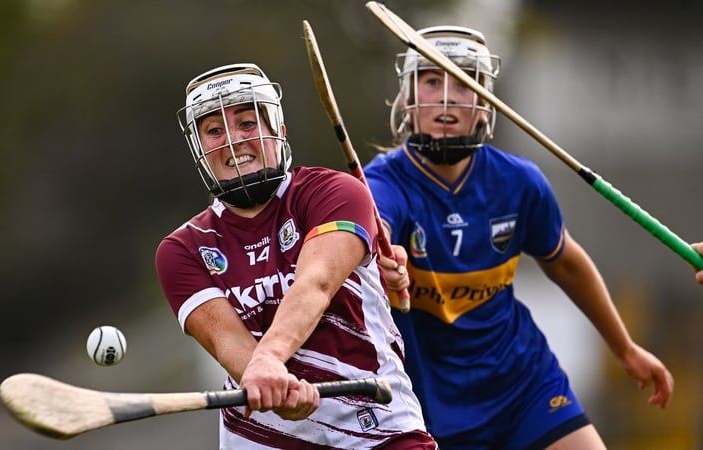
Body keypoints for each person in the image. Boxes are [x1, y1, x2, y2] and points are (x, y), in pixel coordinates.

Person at [363, 26, 675, 450]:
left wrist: (625, 349)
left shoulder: (519, 182)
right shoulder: (381, 185)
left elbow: (566, 262)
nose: (447, 97)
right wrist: (380, 257)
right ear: (408, 98)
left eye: (464, 81)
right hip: (427, 400)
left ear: (484, 102)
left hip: (522, 384)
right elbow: (367, 236)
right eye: (433, 81)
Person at [154, 62, 436, 449]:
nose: (233, 141)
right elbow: (228, 344)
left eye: (247, 123)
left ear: (278, 130)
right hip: (264, 436)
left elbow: (315, 284)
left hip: (378, 429)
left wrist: (269, 360)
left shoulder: (336, 193)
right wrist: (268, 378)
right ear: (200, 149)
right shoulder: (181, 250)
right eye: (215, 130)